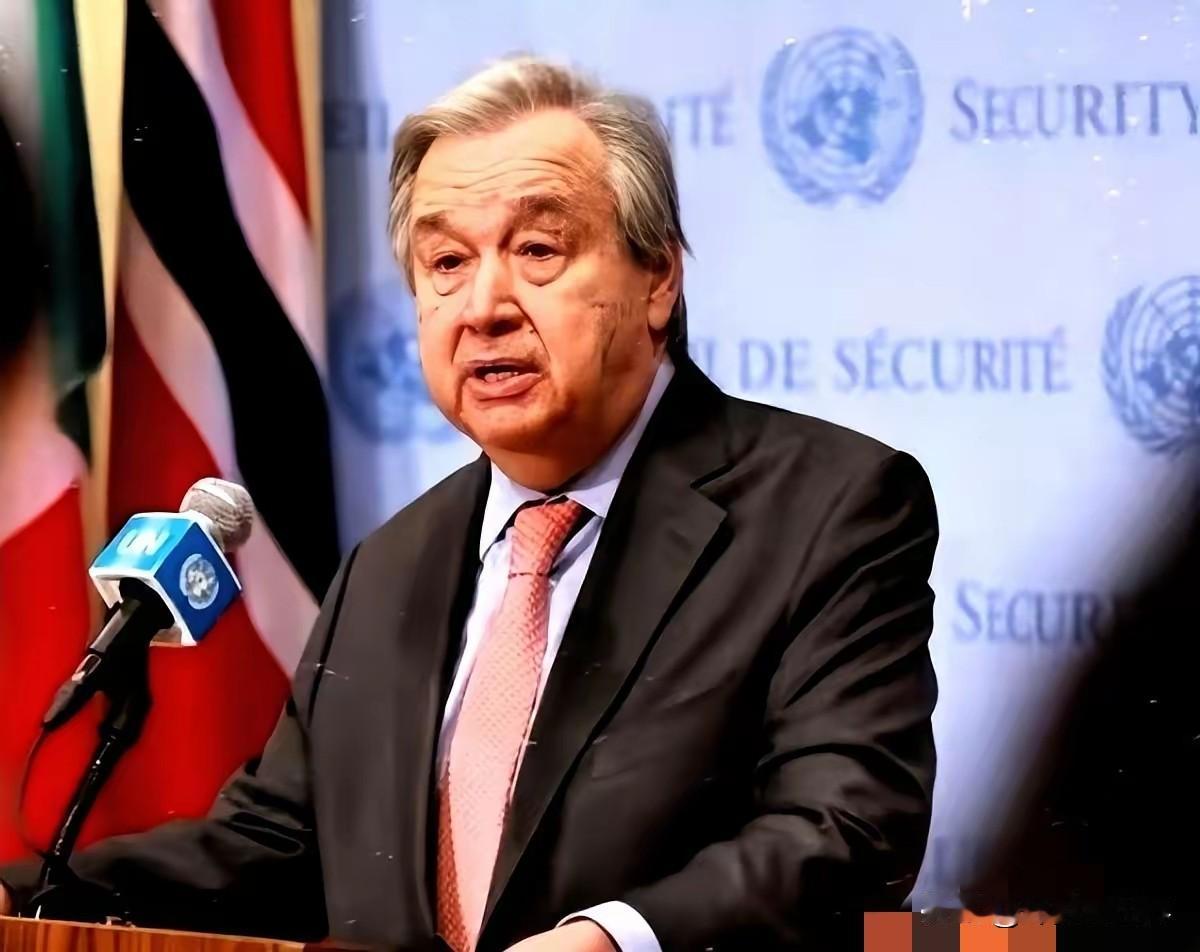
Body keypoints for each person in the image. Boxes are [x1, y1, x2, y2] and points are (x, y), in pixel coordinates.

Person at [0, 57, 939, 952]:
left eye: (537, 250)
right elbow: (280, 844)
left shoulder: (829, 509)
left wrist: (614, 937)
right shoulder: (390, 565)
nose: (484, 305)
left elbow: (846, 826)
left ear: (658, 278)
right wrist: (30, 896)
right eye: (446, 262)